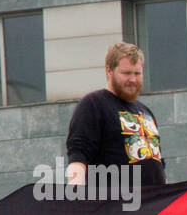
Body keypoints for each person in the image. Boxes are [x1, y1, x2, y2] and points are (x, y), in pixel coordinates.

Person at [65, 42, 165, 194]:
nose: (133, 79)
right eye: (126, 73)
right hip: (113, 208)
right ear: (109, 70)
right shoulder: (93, 104)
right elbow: (78, 153)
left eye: (137, 73)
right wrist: (75, 195)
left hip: (152, 206)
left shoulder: (146, 112)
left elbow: (159, 165)